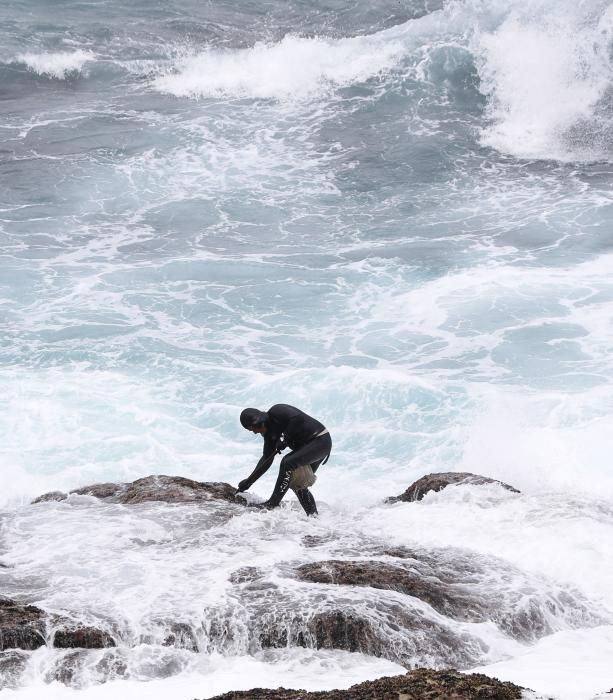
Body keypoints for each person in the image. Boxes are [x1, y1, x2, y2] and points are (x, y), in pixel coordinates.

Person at [236, 404, 331, 516]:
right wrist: (248, 482)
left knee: (287, 462)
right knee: (298, 484)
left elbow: (297, 419)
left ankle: (272, 503)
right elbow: (267, 459)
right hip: (309, 448)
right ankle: (313, 518)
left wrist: (286, 439)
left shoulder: (277, 411)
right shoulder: (270, 435)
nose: (255, 432)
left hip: (320, 440)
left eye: (253, 429)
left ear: (258, 421)